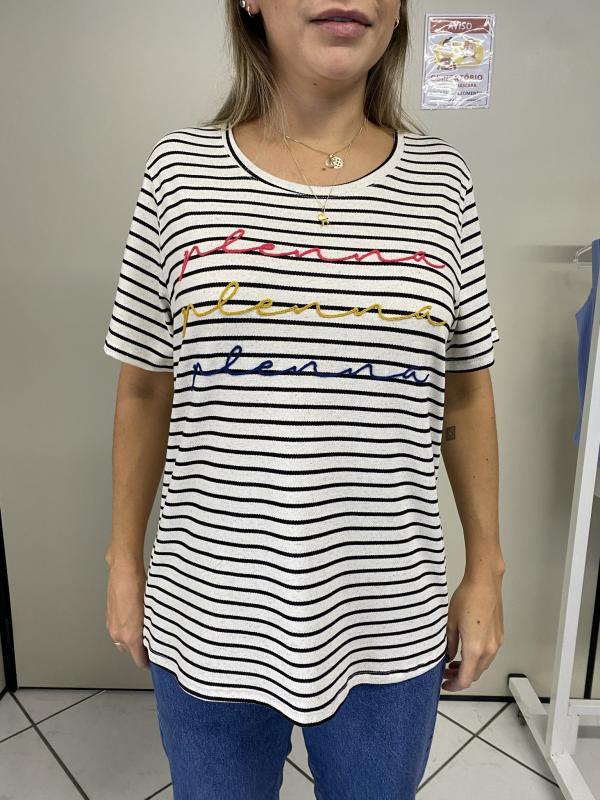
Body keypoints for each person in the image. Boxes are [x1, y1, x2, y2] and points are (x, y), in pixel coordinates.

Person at [104, 1, 506, 797]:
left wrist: (486, 567)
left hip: (388, 615)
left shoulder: (442, 183)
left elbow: (464, 386)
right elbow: (146, 385)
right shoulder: (179, 173)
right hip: (210, 609)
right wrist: (123, 558)